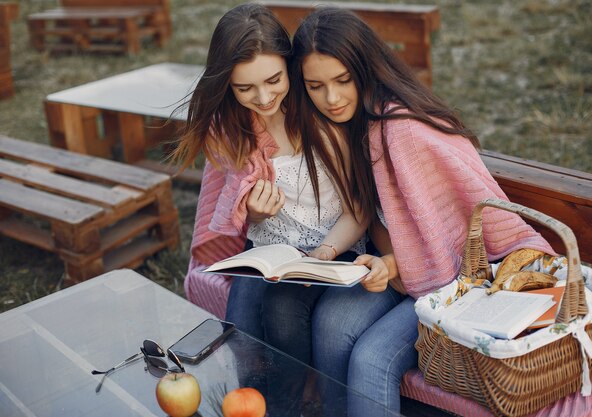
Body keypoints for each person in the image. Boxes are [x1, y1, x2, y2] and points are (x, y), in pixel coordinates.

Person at [274, 7, 556, 415]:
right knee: (332, 327)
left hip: (457, 281)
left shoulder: (401, 130)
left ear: (365, 69)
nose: (331, 98)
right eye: (316, 86)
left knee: (371, 359)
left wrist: (391, 265)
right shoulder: (348, 124)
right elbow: (370, 212)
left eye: (342, 80)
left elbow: (454, 245)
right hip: (401, 273)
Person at [173, 3, 367, 362]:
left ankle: (290, 401)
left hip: (332, 245)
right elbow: (238, 208)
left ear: (289, 65)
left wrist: (324, 253)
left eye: (274, 80)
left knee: (281, 315)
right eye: (245, 88)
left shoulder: (320, 121)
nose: (263, 99)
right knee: (240, 328)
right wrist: (255, 215)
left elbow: (359, 208)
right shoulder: (232, 129)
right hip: (265, 249)